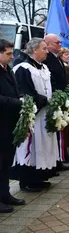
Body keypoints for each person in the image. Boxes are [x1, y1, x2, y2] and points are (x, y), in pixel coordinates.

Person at [12, 38, 59, 192]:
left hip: (45, 114)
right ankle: (27, 180)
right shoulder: (23, 68)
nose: (47, 51)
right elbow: (26, 92)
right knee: (31, 146)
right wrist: (45, 100)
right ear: (34, 50)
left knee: (43, 145)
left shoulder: (44, 67)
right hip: (34, 115)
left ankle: (39, 177)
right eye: (44, 48)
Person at [0, 39, 25, 213]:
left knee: (6, 162)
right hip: (1, 123)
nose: (12, 56)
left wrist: (23, 98)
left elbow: (16, 90)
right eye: (8, 54)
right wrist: (17, 102)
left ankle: (5, 194)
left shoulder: (8, 70)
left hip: (10, 123)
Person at [44, 34, 69, 171]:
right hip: (54, 98)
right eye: (56, 42)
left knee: (60, 130)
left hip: (60, 98)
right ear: (47, 44)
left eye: (60, 42)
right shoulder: (47, 59)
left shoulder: (56, 58)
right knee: (55, 130)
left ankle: (60, 158)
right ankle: (56, 161)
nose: (60, 44)